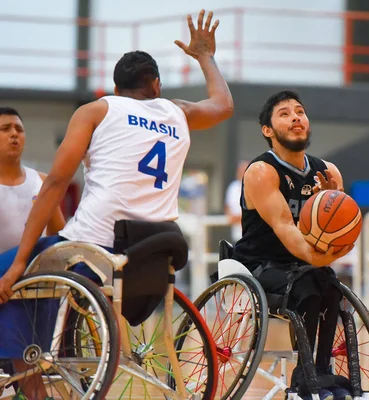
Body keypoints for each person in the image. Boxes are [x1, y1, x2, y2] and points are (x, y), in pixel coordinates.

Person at [0, 10, 233, 400]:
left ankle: (27, 378)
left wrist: (19, 265)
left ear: (115, 87)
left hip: (92, 249)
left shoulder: (98, 110)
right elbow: (222, 105)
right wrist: (205, 57)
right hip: (155, 249)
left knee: (9, 275)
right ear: (155, 85)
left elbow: (56, 183)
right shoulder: (177, 112)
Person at [232, 90, 354, 400]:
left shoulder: (328, 172)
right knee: (312, 282)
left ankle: (321, 372)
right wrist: (321, 259)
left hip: (302, 265)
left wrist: (329, 199)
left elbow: (339, 232)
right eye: (284, 113)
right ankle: (305, 378)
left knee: (333, 288)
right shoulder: (262, 171)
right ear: (268, 131)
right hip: (259, 264)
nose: (296, 116)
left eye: (299, 111)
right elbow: (285, 226)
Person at [0, 107, 65, 255]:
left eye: (19, 129)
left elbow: (58, 235)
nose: (14, 134)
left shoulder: (42, 181)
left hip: (33, 272)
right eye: (5, 129)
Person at [224, 159, 249, 243]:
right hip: (236, 234)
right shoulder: (233, 187)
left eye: (245, 169)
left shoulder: (254, 186)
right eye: (240, 169)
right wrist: (231, 217)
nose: (242, 172)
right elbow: (227, 206)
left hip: (250, 235)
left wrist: (240, 218)